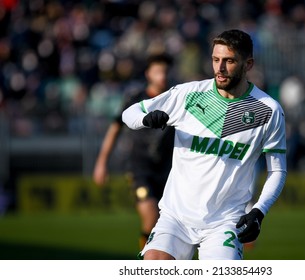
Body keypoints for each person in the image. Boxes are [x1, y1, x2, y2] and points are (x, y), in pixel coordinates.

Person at [122, 29, 287, 260]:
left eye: (229, 61)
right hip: (175, 218)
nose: (219, 68)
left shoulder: (268, 110)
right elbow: (130, 113)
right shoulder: (188, 94)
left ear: (248, 64)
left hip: (225, 223)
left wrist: (259, 211)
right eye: (215, 59)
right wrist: (145, 119)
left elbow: (277, 170)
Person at [93, 53, 175, 249]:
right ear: (148, 74)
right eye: (157, 71)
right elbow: (115, 128)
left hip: (168, 169)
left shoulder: (175, 98)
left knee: (169, 224)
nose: (162, 76)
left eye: (164, 71)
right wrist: (101, 162)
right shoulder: (136, 99)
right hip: (139, 166)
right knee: (151, 216)